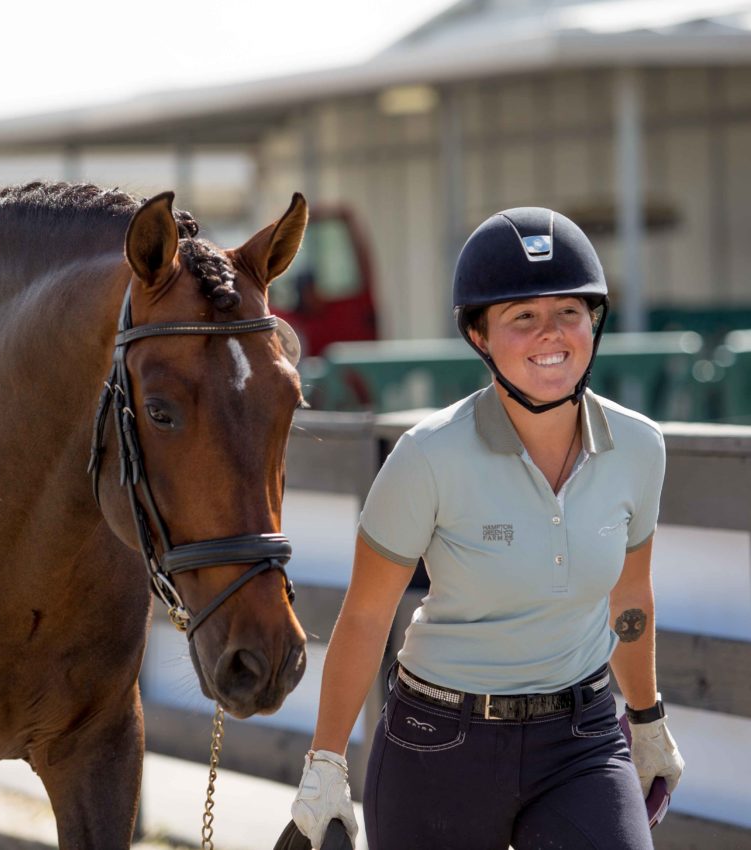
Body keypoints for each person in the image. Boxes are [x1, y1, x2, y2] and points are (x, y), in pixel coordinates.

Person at [290, 208, 685, 850]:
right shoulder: (426, 456)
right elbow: (364, 618)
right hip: (439, 742)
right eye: (521, 316)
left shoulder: (640, 449)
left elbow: (631, 597)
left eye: (569, 312)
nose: (550, 334)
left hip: (581, 741)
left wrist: (645, 719)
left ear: (595, 322)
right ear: (479, 335)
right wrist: (326, 765)